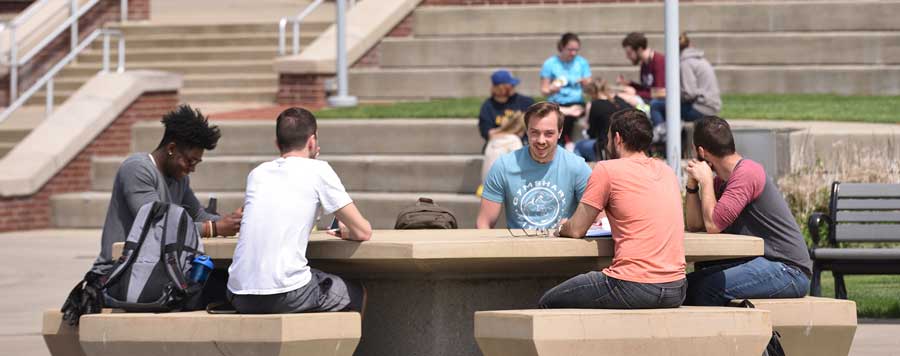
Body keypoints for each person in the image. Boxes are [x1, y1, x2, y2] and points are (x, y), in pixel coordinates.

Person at [227, 107, 372, 314]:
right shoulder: (319, 170)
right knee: (355, 294)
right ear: (312, 141)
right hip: (286, 292)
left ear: (277, 144)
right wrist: (346, 232)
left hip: (237, 293)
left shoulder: (257, 174)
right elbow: (363, 231)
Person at [540, 109, 686, 309]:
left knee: (548, 302)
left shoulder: (607, 169)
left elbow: (576, 230)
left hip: (633, 284)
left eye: (608, 137)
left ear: (617, 138)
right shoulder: (667, 171)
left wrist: (562, 227)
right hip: (676, 287)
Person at [90, 104, 242, 277]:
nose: (192, 169)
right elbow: (157, 225)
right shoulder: (137, 169)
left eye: (196, 163)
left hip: (149, 271)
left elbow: (199, 216)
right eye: (190, 161)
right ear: (171, 149)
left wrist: (235, 222)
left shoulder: (180, 179)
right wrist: (215, 228)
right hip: (116, 274)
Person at [683, 116, 812, 306]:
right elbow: (695, 225)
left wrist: (707, 182)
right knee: (685, 286)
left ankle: (729, 335)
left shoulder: (747, 173)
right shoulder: (724, 181)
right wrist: (692, 187)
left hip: (788, 270)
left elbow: (712, 225)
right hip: (763, 265)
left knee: (707, 289)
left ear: (701, 151)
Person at [476, 102, 592, 230]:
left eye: (549, 134)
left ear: (560, 132)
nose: (541, 141)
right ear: (527, 131)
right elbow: (484, 223)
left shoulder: (577, 167)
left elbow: (598, 220)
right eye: (535, 133)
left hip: (563, 245)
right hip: (517, 247)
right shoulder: (503, 166)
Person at [648, 33, 722, 142]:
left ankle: (663, 140)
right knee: (665, 105)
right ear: (690, 44)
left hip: (701, 108)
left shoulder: (685, 64)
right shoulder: (700, 59)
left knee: (656, 105)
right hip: (711, 105)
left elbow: (689, 94)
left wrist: (670, 95)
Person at [540, 33, 592, 146]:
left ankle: (569, 144)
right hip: (557, 103)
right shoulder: (550, 63)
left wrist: (586, 84)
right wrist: (551, 89)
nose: (573, 53)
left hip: (577, 102)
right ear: (562, 47)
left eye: (576, 50)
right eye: (570, 49)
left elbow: (590, 88)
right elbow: (544, 90)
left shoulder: (581, 63)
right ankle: (562, 144)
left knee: (580, 112)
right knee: (564, 117)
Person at [573, 79, 639, 162]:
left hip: (606, 148)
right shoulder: (620, 101)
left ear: (592, 93)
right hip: (628, 144)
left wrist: (586, 124)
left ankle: (581, 173)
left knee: (578, 146)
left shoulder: (595, 105)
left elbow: (591, 133)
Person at [617, 32, 666, 140]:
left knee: (625, 98)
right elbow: (647, 88)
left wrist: (635, 93)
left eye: (629, 53)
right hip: (649, 99)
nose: (627, 57)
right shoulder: (644, 64)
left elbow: (659, 92)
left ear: (639, 49)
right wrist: (630, 84)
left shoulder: (659, 61)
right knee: (620, 96)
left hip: (658, 103)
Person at [478, 70, 535, 144]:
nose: (513, 87)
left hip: (521, 145)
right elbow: (489, 134)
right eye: (511, 85)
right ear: (499, 88)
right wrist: (509, 130)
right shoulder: (488, 107)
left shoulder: (525, 102)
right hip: (497, 144)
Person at [481, 112, 525, 185]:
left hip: (486, 187)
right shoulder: (514, 140)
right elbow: (520, 166)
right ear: (521, 129)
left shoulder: (494, 139)